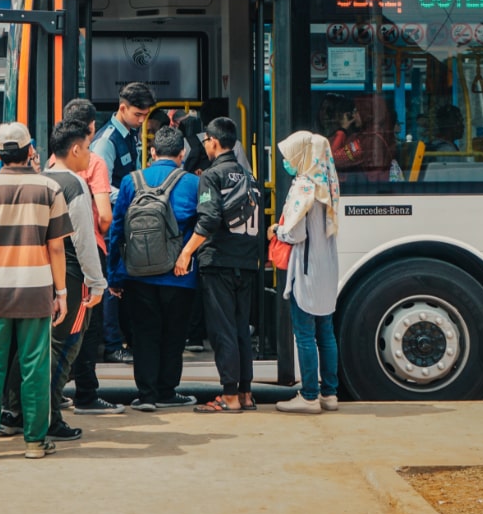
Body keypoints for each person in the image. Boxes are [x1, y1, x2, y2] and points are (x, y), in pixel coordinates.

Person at [0, 121, 73, 461]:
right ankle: (35, 443)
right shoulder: (49, 190)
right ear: (30, 151)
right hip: (36, 292)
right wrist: (62, 293)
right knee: (35, 367)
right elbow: (56, 248)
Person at [109, 126, 200, 411]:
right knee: (174, 334)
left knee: (144, 333)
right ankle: (167, 392)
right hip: (179, 275)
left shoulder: (130, 181)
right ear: (182, 154)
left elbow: (117, 229)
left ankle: (146, 395)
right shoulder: (192, 183)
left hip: (137, 275)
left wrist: (115, 274)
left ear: (151, 152)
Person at [174, 117, 260, 414]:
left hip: (219, 261)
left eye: (206, 141)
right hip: (247, 262)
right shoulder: (249, 177)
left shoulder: (212, 175)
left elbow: (209, 219)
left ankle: (229, 396)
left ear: (212, 141)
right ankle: (246, 393)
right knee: (240, 330)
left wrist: (186, 253)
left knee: (222, 330)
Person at [40, 119, 108, 440]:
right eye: (88, 148)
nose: (90, 156)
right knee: (65, 349)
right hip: (71, 277)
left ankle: (23, 411)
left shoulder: (39, 180)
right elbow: (84, 240)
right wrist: (97, 282)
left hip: (41, 278)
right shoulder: (74, 186)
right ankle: (51, 418)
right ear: (76, 148)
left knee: (39, 349)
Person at [268, 131, 341, 414]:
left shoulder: (304, 187)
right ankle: (329, 394)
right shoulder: (328, 183)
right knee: (326, 333)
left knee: (305, 334)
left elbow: (295, 233)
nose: (287, 161)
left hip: (307, 271)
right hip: (327, 269)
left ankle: (310, 396)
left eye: (290, 155)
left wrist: (276, 230)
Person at [91, 82, 156, 364]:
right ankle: (112, 344)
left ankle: (121, 339)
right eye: (138, 115)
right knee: (110, 284)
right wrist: (135, 194)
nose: (142, 121)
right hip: (110, 221)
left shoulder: (128, 135)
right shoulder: (106, 141)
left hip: (124, 216)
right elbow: (100, 188)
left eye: (145, 115)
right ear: (122, 108)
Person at [331, 94, 396, 182]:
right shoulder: (377, 133)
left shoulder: (369, 139)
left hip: (369, 189)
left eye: (357, 111)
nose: (353, 116)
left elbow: (334, 159)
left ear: (367, 112)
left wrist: (342, 130)